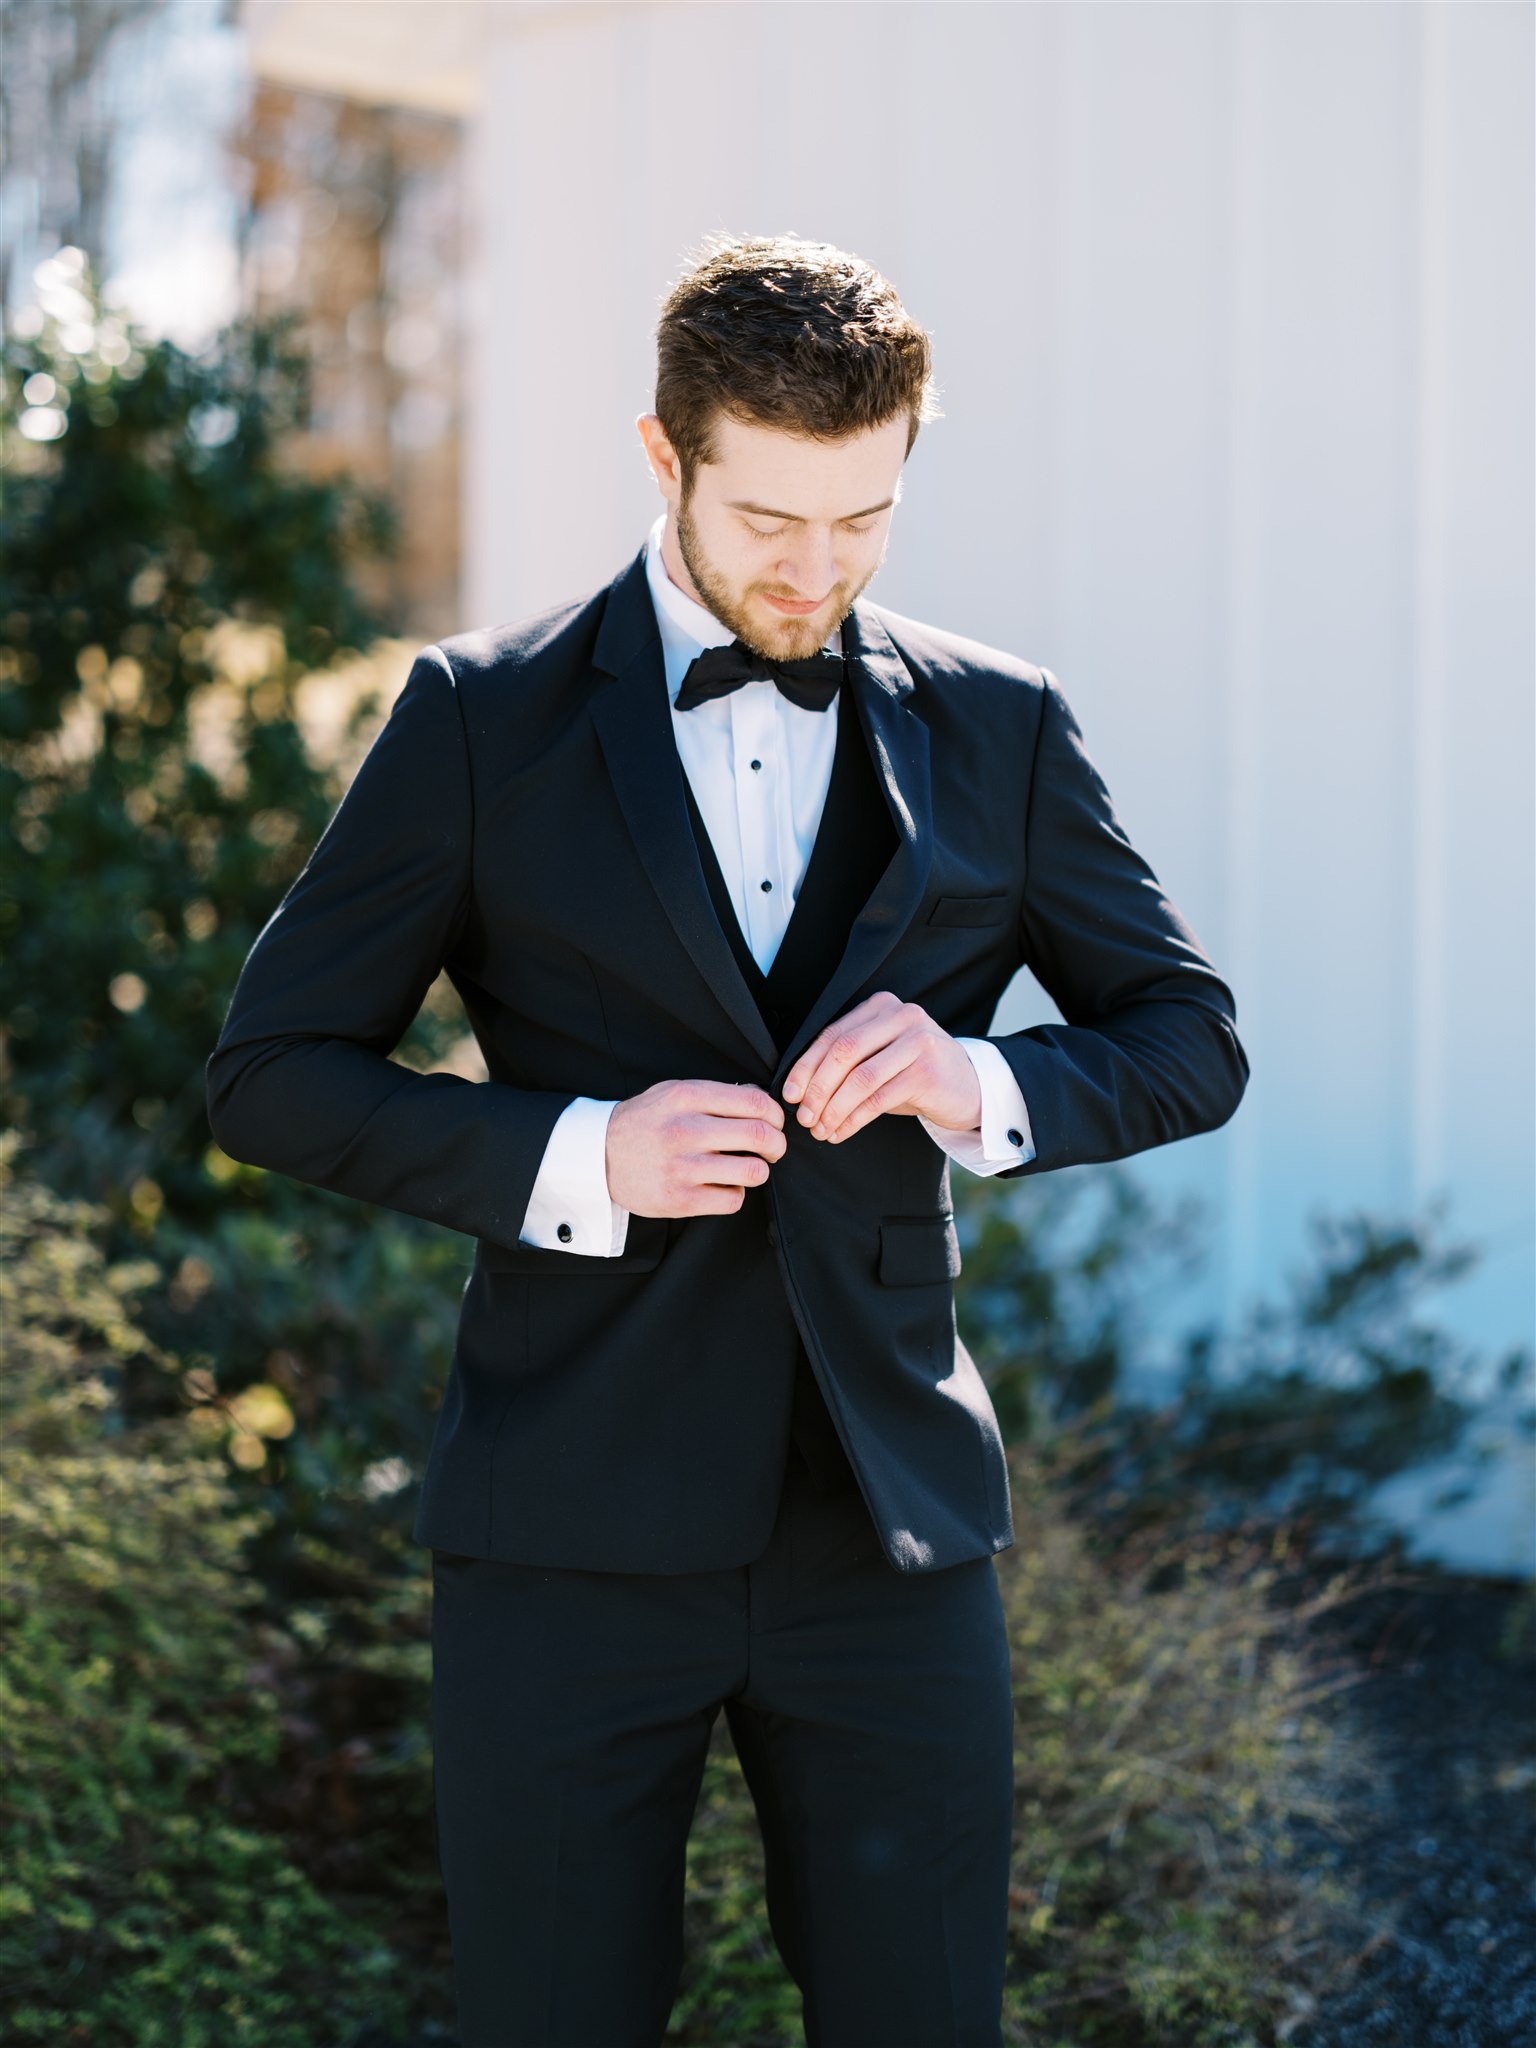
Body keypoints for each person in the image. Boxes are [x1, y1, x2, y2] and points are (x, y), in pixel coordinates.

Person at [205, 230, 1249, 2048]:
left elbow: (1189, 1041)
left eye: (864, 518)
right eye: (772, 515)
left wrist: (973, 1080)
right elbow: (273, 1069)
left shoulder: (1000, 727)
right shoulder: (478, 719)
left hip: (888, 1538)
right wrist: (575, 1156)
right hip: (564, 1533)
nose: (817, 568)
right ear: (662, 454)